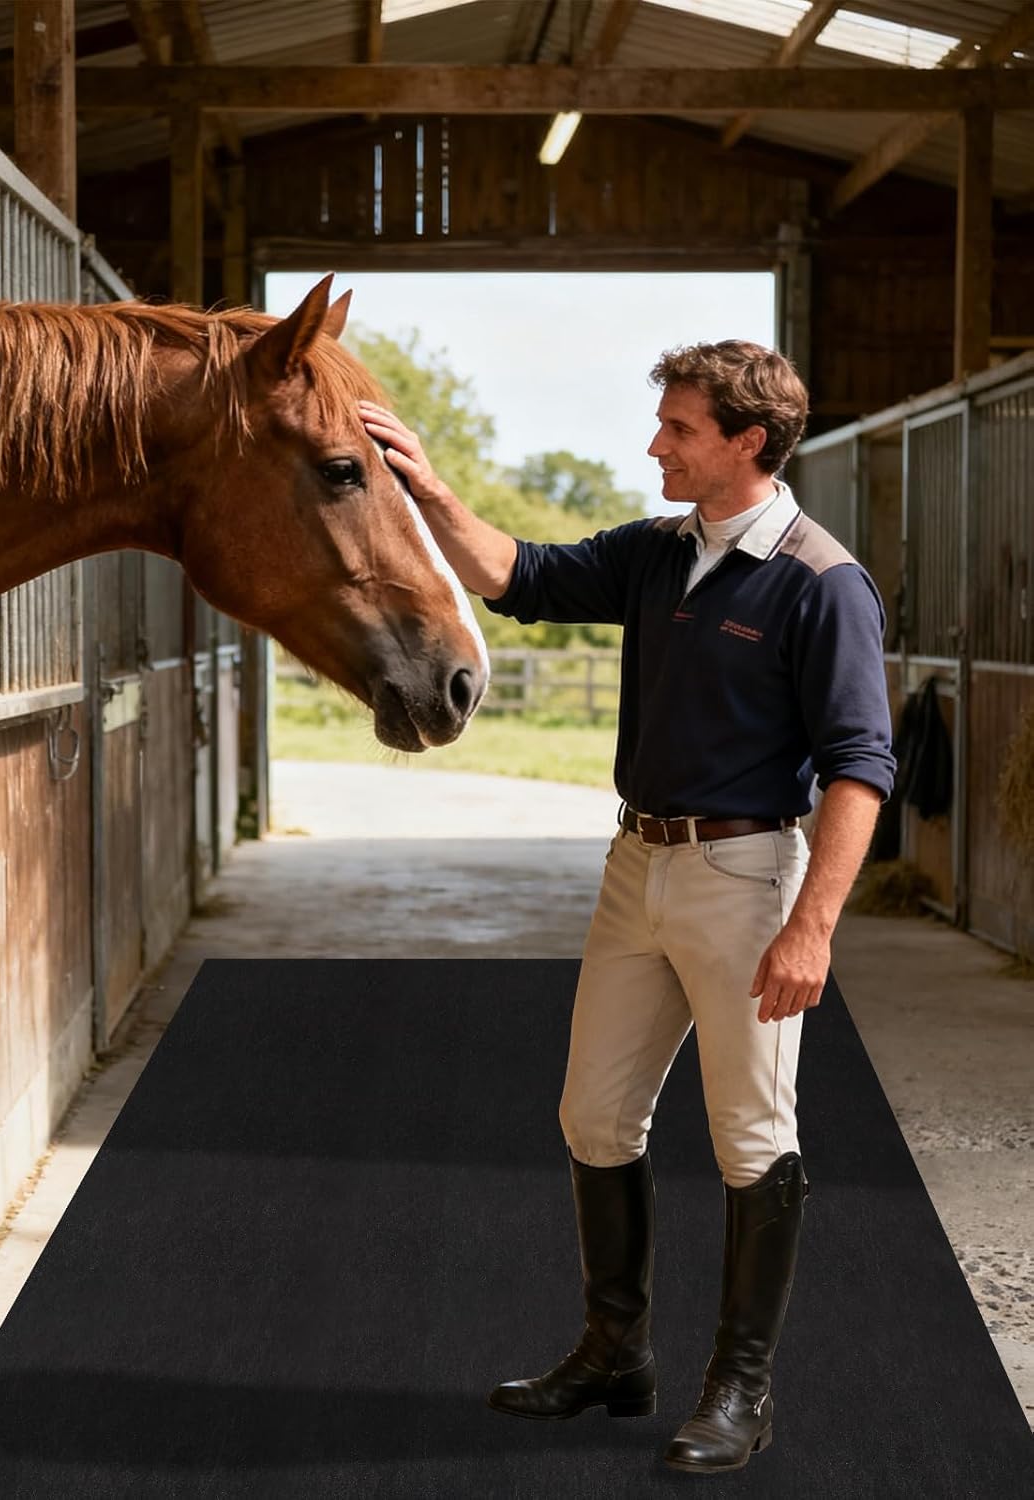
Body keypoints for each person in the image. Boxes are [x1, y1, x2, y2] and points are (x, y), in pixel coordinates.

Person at [360, 340, 895, 1475]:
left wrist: (814, 926)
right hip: (634, 868)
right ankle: (614, 1353)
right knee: (594, 1118)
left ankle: (739, 1389)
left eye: (681, 429)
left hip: (749, 881)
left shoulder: (820, 581)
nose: (657, 443)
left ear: (748, 444)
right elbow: (521, 575)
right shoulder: (659, 555)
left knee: (753, 1137)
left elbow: (860, 767)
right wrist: (426, 486)